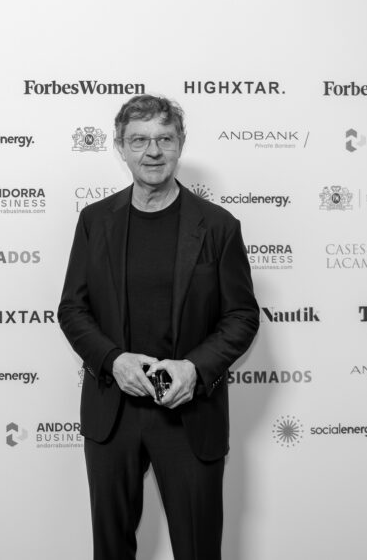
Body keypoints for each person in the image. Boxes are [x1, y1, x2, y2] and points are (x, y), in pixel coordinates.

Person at [58, 94, 259, 560]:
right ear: (120, 148)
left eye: (164, 139)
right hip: (114, 411)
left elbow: (242, 316)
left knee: (198, 549)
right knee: (111, 550)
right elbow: (72, 309)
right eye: (139, 140)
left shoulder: (218, 227)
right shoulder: (95, 221)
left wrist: (195, 368)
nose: (153, 151)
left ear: (180, 144)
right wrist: (113, 360)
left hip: (188, 412)